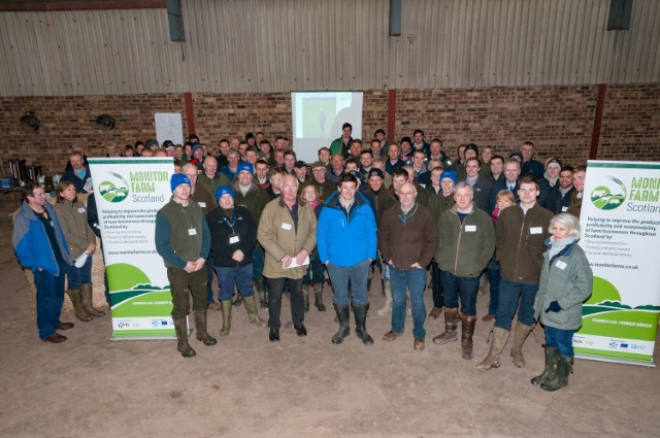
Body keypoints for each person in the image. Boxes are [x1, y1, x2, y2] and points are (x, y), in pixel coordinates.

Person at [477, 177, 553, 370]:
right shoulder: (507, 214)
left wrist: (539, 265)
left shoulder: (547, 217)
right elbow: (500, 240)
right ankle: (493, 355)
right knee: (503, 313)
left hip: (533, 277)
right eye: (523, 190)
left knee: (528, 314)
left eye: (531, 189)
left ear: (537, 192)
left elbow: (550, 247)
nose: (527, 193)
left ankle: (516, 349)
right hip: (509, 275)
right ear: (517, 193)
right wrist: (503, 259)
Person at [155, 174, 216, 358]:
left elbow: (206, 234)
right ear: (173, 189)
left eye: (187, 186)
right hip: (178, 268)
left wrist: (203, 257)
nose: (184, 189)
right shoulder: (164, 213)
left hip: (199, 265)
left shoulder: (196, 208)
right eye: (180, 186)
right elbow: (161, 245)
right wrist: (183, 264)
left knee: (201, 300)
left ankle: (202, 333)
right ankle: (182, 343)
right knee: (181, 305)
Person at [432, 183, 495, 360]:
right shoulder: (446, 216)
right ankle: (450, 331)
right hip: (448, 269)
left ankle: (467, 340)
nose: (462, 199)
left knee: (468, 305)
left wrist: (478, 265)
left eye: (465, 195)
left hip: (470, 273)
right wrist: (441, 259)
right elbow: (438, 240)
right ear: (454, 197)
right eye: (459, 195)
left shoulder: (482, 218)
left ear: (471, 196)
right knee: (449, 302)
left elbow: (489, 245)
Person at [532, 214, 593, 391]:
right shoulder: (551, 248)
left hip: (564, 312)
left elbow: (585, 288)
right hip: (548, 310)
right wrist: (538, 305)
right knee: (550, 341)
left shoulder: (576, 255)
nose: (557, 233)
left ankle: (562, 378)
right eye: (555, 228)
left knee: (563, 344)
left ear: (572, 231)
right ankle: (550, 372)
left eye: (562, 229)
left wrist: (561, 304)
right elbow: (543, 282)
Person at [317, 173, 377, 345]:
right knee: (340, 297)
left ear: (356, 188)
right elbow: (321, 234)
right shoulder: (328, 208)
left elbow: (371, 233)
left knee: (360, 297)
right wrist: (325, 259)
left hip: (360, 261)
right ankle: (344, 327)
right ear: (339, 188)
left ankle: (361, 328)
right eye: (345, 187)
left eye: (352, 187)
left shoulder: (365, 208)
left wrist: (370, 256)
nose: (349, 191)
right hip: (336, 262)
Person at [257, 175, 317, 341]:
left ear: (297, 189)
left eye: (293, 187)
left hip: (298, 261)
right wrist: (281, 255)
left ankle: (298, 322)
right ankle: (274, 326)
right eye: (286, 187)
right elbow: (263, 235)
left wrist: (306, 250)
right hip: (277, 262)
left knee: (297, 294)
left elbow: (314, 231)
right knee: (275, 296)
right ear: (281, 188)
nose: (290, 191)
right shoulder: (271, 207)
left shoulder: (306, 207)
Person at [379, 183, 438, 350]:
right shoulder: (389, 214)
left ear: (415, 194)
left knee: (417, 302)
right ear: (397, 194)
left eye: (409, 193)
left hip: (416, 268)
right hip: (395, 266)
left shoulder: (425, 214)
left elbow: (433, 240)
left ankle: (419, 334)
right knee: (398, 300)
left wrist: (423, 262)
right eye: (402, 193)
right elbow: (383, 237)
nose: (405, 196)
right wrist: (388, 258)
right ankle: (396, 329)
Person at [13, 182, 74, 343]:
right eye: (39, 194)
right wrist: (33, 264)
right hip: (44, 266)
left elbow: (58, 234)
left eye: (43, 193)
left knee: (58, 295)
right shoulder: (23, 218)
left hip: (58, 260)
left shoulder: (48, 209)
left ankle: (54, 322)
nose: (44, 197)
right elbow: (20, 245)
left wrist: (65, 254)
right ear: (29, 198)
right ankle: (46, 332)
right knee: (46, 299)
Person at [207, 186, 266, 335]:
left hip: (245, 260)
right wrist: (231, 253)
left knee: (247, 287)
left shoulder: (244, 212)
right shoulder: (211, 217)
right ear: (218, 200)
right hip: (224, 262)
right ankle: (226, 322)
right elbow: (211, 241)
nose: (227, 200)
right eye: (223, 197)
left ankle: (254, 316)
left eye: (229, 197)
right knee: (226, 291)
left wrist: (243, 250)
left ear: (233, 198)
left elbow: (253, 233)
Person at [53, 181, 105, 322]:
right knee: (74, 279)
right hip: (73, 251)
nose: (72, 192)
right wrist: (85, 244)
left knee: (85, 277)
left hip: (86, 249)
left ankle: (88, 306)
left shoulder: (80, 205)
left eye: (74, 189)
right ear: (61, 193)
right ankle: (79, 309)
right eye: (68, 189)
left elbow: (88, 225)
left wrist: (92, 242)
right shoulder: (57, 209)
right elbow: (65, 233)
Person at [233, 162, 271, 309]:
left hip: (255, 239)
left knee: (258, 269)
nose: (244, 176)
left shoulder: (260, 193)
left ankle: (263, 296)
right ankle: (241, 294)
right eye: (241, 173)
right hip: (235, 239)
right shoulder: (231, 192)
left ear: (252, 174)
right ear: (237, 174)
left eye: (248, 173)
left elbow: (266, 216)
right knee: (239, 269)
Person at [482, 189, 516, 322]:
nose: (502, 204)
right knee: (494, 286)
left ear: (512, 203)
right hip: (493, 259)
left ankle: (504, 313)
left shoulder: (516, 219)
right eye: (499, 201)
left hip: (509, 259)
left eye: (506, 201)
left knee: (507, 288)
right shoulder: (491, 219)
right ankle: (492, 310)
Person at [427, 170, 457, 318]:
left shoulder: (458, 200)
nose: (446, 185)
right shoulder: (433, 200)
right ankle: (437, 305)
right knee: (437, 278)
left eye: (449, 182)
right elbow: (429, 222)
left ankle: (453, 306)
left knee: (452, 279)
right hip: (437, 245)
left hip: (453, 246)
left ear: (454, 184)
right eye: (443, 181)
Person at [299, 184, 327, 312]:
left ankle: (319, 301)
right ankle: (304, 303)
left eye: (312, 192)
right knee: (303, 275)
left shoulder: (322, 209)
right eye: (307, 192)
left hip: (318, 247)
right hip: (302, 248)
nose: (310, 195)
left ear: (317, 194)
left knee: (319, 274)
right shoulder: (298, 208)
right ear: (303, 195)